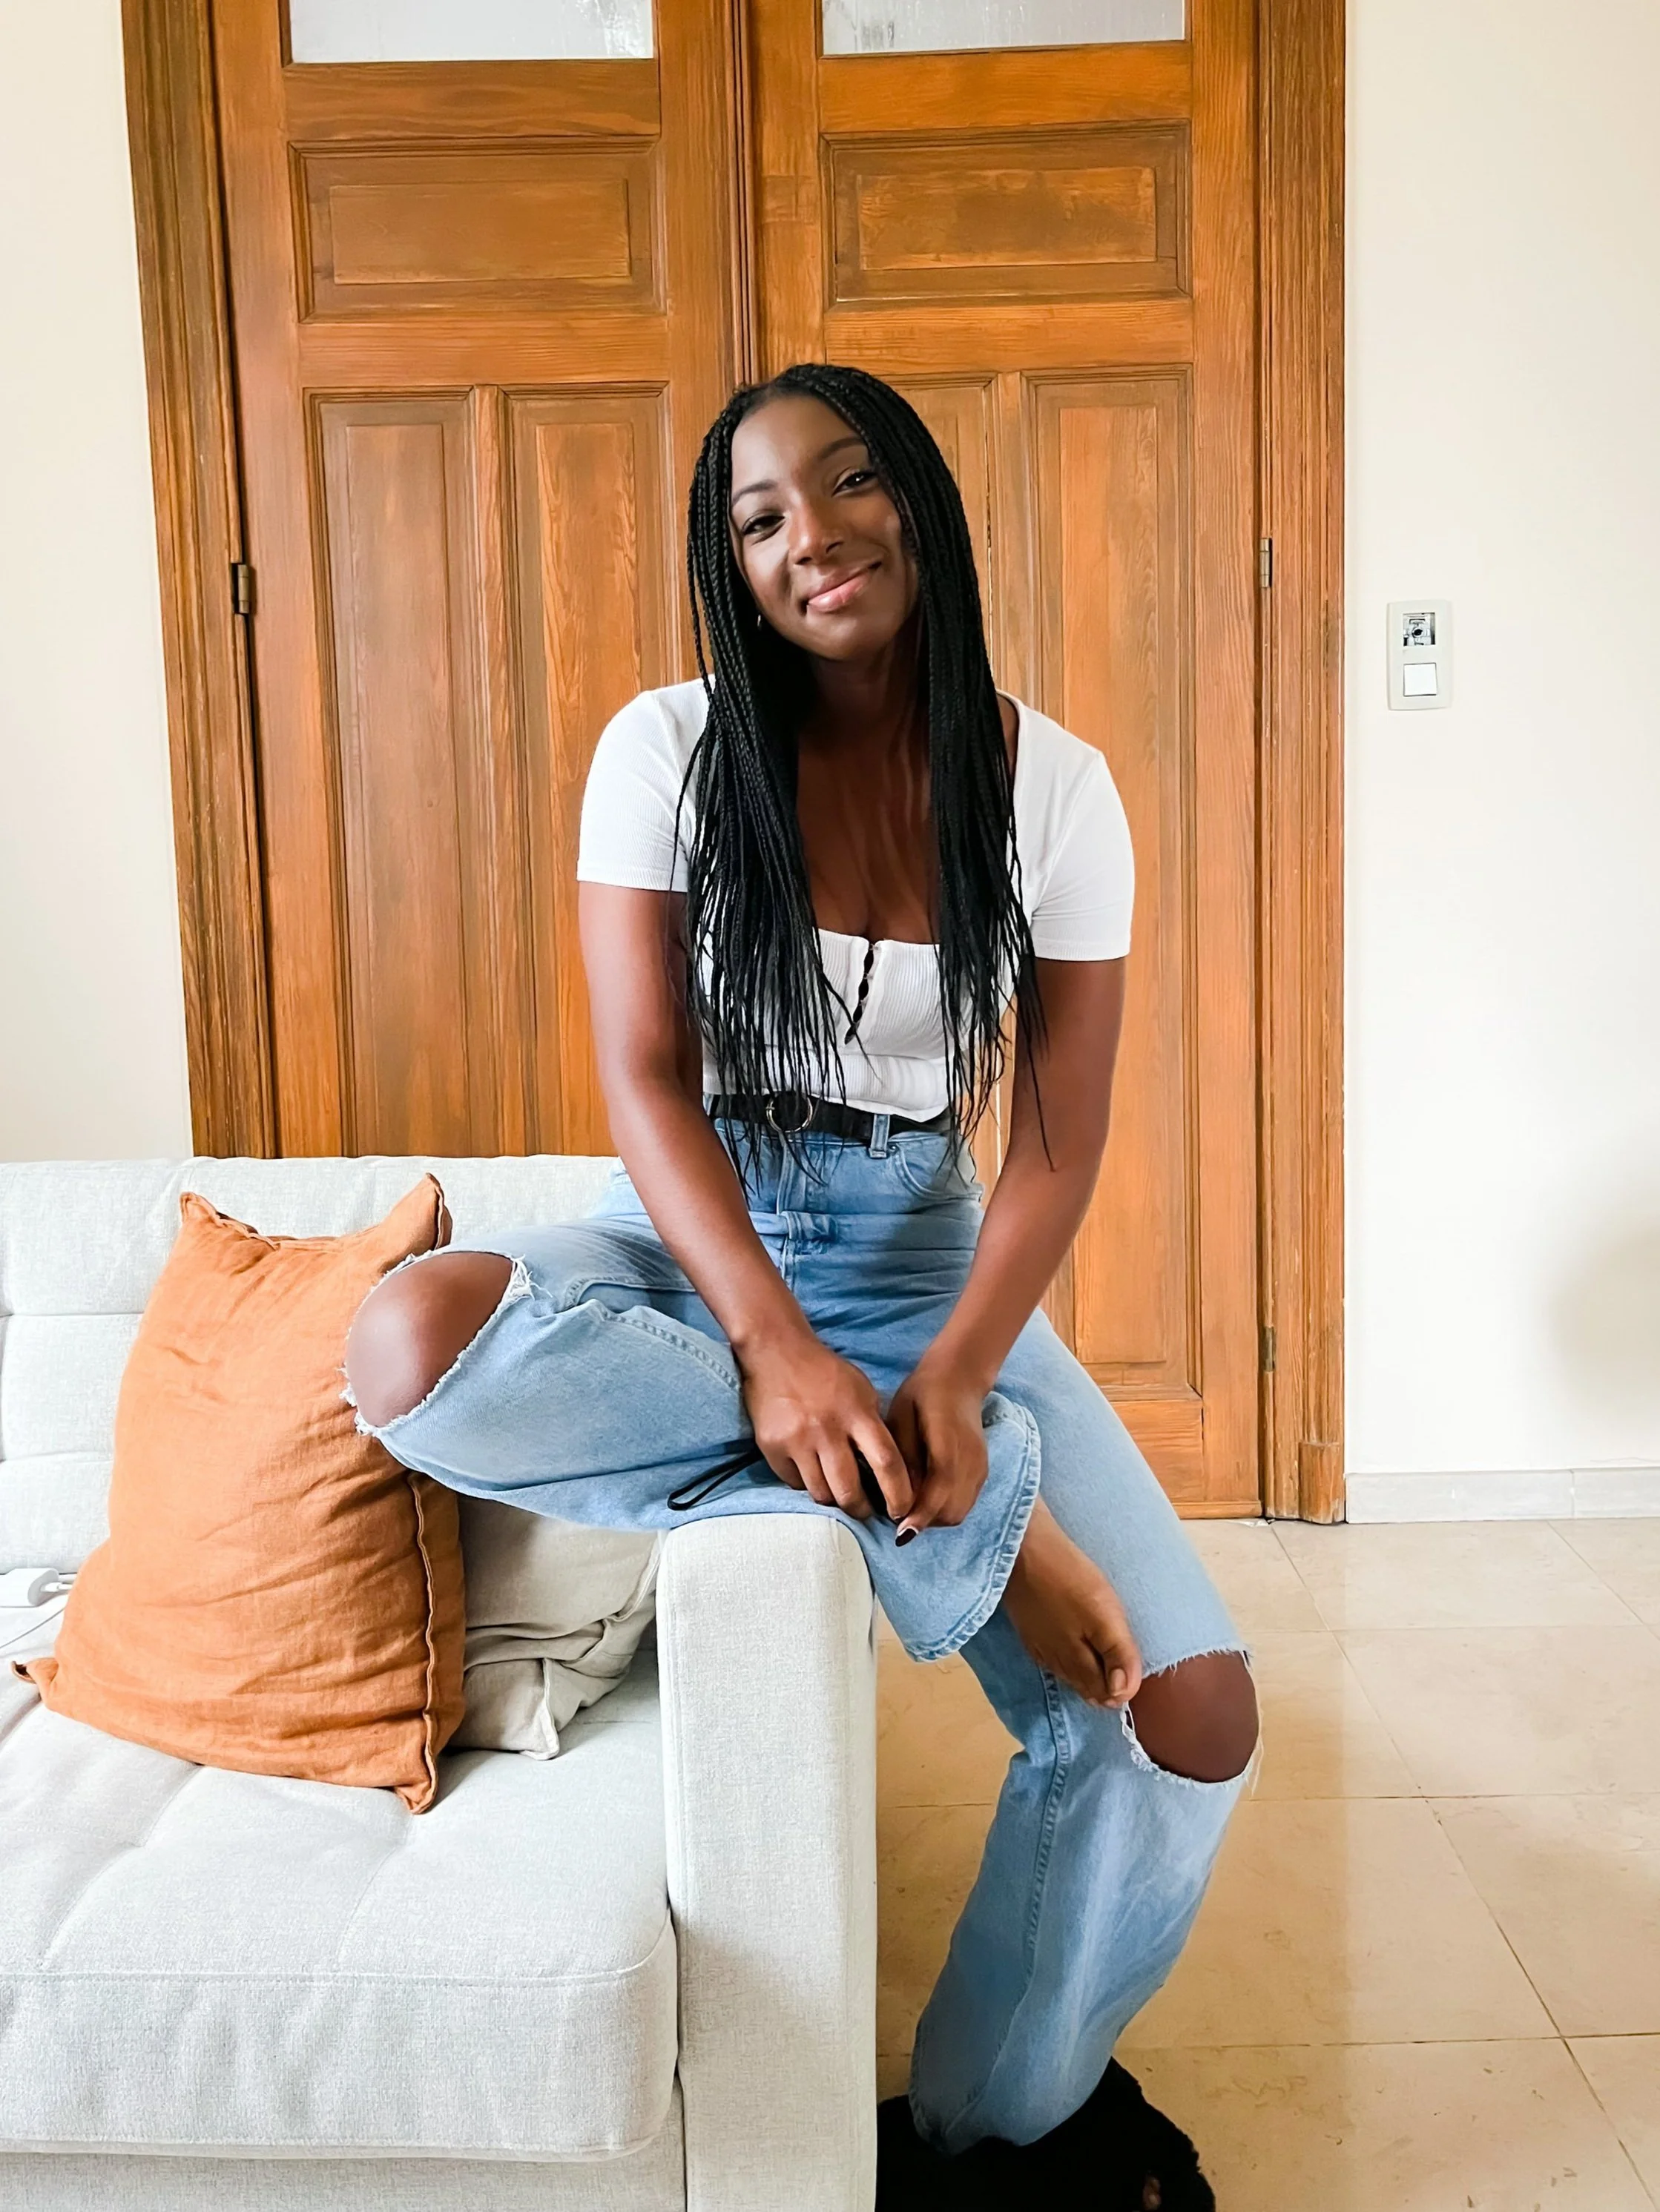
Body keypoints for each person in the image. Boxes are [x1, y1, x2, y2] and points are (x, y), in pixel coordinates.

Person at [345, 362, 1257, 2209]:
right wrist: (774, 1348)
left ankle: (992, 2128)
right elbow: (644, 1079)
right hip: (710, 1241)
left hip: (926, 1257)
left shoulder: (1058, 788)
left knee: (1192, 1721)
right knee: (411, 1341)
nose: (811, 539)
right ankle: (964, 1520)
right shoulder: (667, 750)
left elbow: (1058, 1138)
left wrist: (955, 1378)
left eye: (847, 485)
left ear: (917, 497)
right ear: (732, 565)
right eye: (759, 518)